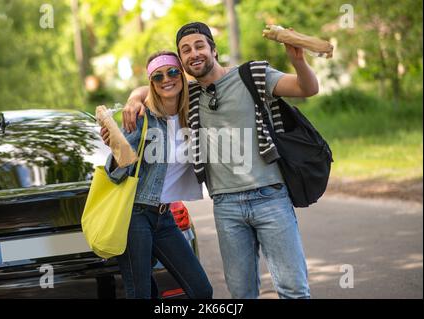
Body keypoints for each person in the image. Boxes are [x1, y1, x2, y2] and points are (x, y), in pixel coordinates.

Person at [116, 22, 319, 299]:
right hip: (226, 206)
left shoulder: (253, 75)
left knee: (293, 290)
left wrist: (298, 60)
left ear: (214, 49)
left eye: (199, 45)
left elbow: (307, 88)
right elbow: (154, 85)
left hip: (270, 196)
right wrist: (133, 98)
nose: (194, 53)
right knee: (240, 294)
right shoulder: (190, 95)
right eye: (185, 50)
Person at [102, 50, 213, 299]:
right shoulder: (143, 118)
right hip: (135, 216)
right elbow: (115, 174)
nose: (167, 79)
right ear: (151, 82)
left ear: (182, 76)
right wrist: (116, 147)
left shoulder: (194, 114)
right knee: (140, 293)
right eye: (158, 76)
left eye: (173, 72)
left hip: (165, 218)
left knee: (202, 291)